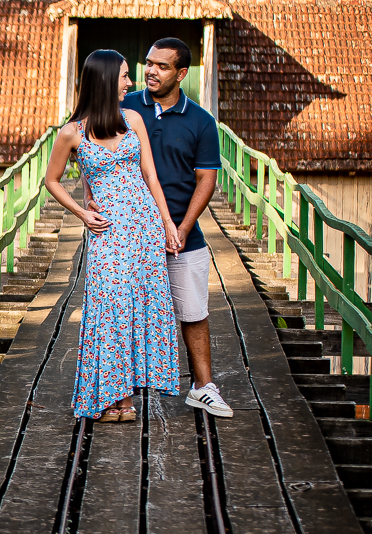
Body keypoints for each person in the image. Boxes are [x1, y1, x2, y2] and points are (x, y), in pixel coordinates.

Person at [43, 49, 181, 422]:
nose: (130, 83)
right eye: (123, 76)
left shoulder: (133, 119)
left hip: (144, 227)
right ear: (105, 80)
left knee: (140, 306)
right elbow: (51, 180)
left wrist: (168, 223)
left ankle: (126, 400)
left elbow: (150, 175)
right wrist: (82, 211)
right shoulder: (72, 132)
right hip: (107, 230)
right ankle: (106, 397)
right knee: (109, 308)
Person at [110, 37, 233, 417]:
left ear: (181, 74)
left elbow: (206, 179)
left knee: (193, 311)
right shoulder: (123, 107)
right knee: (123, 311)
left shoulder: (201, 121)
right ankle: (118, 392)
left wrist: (182, 227)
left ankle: (203, 387)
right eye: (148, 63)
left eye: (162, 66)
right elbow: (84, 143)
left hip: (183, 233)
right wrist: (89, 196)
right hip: (129, 234)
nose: (150, 71)